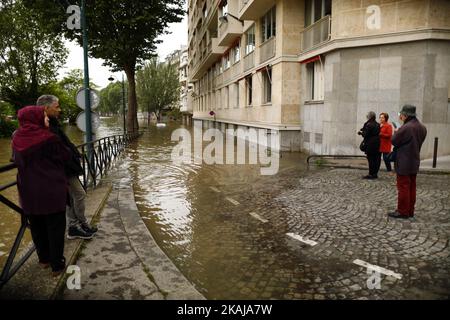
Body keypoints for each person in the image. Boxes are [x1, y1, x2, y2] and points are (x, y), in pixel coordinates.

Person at [12, 106, 69, 275]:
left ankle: (43, 259)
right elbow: (65, 157)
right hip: (51, 190)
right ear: (35, 118)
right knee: (55, 228)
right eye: (44, 117)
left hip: (29, 191)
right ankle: (57, 265)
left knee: (36, 226)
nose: (47, 120)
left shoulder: (16, 138)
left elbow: (15, 159)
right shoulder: (49, 138)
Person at [36, 95, 97, 239]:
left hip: (66, 167)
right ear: (46, 108)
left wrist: (75, 156)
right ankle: (77, 225)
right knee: (78, 195)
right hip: (62, 169)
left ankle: (76, 226)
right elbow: (56, 150)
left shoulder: (53, 123)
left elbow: (64, 145)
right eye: (57, 107)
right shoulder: (46, 126)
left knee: (71, 197)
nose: (60, 110)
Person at [388, 105, 427, 219]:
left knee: (403, 187)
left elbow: (394, 141)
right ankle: (410, 210)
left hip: (404, 161)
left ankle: (402, 211)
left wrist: (396, 131)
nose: (400, 116)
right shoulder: (422, 127)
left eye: (401, 114)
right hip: (414, 160)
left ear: (405, 115)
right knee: (411, 187)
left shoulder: (407, 127)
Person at [358, 111, 381, 179]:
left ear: (369, 117)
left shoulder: (369, 124)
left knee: (371, 159)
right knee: (376, 159)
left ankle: (371, 174)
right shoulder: (377, 124)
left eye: (367, 115)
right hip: (377, 143)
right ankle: (375, 174)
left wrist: (360, 133)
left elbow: (365, 135)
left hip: (370, 144)